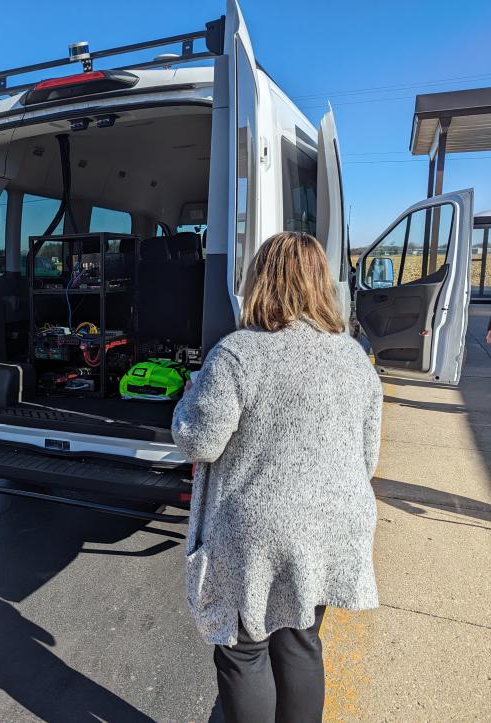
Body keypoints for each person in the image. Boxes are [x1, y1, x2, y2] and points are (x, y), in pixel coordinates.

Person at [172, 232, 381, 723]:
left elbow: (199, 441)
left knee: (246, 651)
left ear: (260, 281)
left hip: (261, 533)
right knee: (301, 638)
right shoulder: (354, 356)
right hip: (335, 525)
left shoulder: (238, 354)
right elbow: (365, 456)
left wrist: (188, 396)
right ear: (320, 285)